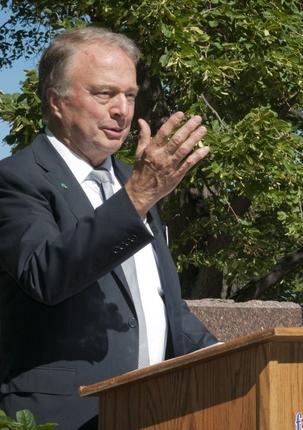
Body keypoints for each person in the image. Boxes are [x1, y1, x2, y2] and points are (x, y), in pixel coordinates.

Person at [0, 27, 218, 429]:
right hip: (68, 415)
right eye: (104, 94)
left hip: (155, 409)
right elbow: (46, 273)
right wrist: (136, 197)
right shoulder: (17, 179)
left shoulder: (133, 181)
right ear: (57, 102)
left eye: (130, 95)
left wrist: (232, 356)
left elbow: (158, 302)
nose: (123, 110)